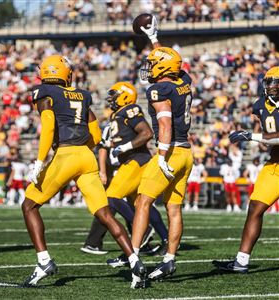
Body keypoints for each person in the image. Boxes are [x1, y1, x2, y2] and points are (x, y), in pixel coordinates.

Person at [22, 55, 145, 288]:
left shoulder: (44, 92)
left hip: (66, 155)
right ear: (64, 72)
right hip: (87, 158)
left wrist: (39, 161)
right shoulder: (82, 94)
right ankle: (134, 260)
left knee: (29, 205)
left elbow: (48, 125)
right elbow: (96, 136)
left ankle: (44, 261)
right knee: (105, 214)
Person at [130, 16, 194, 282]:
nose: (150, 67)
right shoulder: (183, 79)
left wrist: (162, 155)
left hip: (171, 151)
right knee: (174, 208)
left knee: (142, 201)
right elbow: (168, 60)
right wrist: (154, 38)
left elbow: (165, 124)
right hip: (187, 152)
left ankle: (132, 257)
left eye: (153, 64)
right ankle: (169, 260)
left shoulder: (160, 88)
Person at [81, 82, 169, 258]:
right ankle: (167, 239)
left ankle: (144, 231)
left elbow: (146, 133)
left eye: (114, 95)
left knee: (111, 197)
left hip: (137, 160)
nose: (111, 99)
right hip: (132, 161)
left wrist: (125, 147)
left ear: (125, 96)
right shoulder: (117, 115)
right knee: (140, 204)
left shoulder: (130, 110)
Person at [213, 66, 279, 273]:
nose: (270, 86)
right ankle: (241, 262)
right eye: (267, 82)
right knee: (255, 208)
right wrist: (260, 139)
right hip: (274, 165)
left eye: (274, 82)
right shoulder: (260, 105)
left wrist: (252, 136)